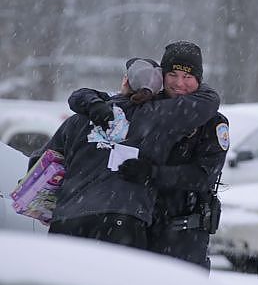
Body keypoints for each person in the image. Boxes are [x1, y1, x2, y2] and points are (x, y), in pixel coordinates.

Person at [67, 41, 229, 270]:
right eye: (172, 74)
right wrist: (93, 103)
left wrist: (153, 174)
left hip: (184, 233)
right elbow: (83, 96)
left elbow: (204, 176)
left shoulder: (212, 121)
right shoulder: (146, 104)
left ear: (199, 80)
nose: (179, 83)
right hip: (138, 226)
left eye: (188, 77)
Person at [29, 56, 220, 250]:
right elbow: (210, 100)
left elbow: (39, 163)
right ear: (157, 90)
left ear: (126, 80)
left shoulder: (81, 117)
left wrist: (48, 206)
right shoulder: (160, 118)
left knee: (61, 280)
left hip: (67, 220)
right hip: (122, 221)